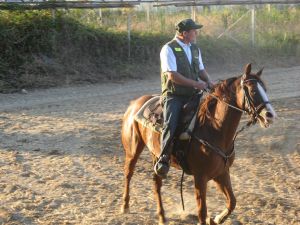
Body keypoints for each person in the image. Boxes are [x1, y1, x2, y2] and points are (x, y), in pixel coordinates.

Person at [154, 18, 214, 178]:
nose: (196, 33)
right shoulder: (168, 49)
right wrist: (196, 84)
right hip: (174, 96)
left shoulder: (194, 48)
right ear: (184, 33)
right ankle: (164, 158)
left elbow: (201, 69)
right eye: (194, 31)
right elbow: (172, 76)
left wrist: (208, 81)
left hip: (193, 94)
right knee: (170, 124)